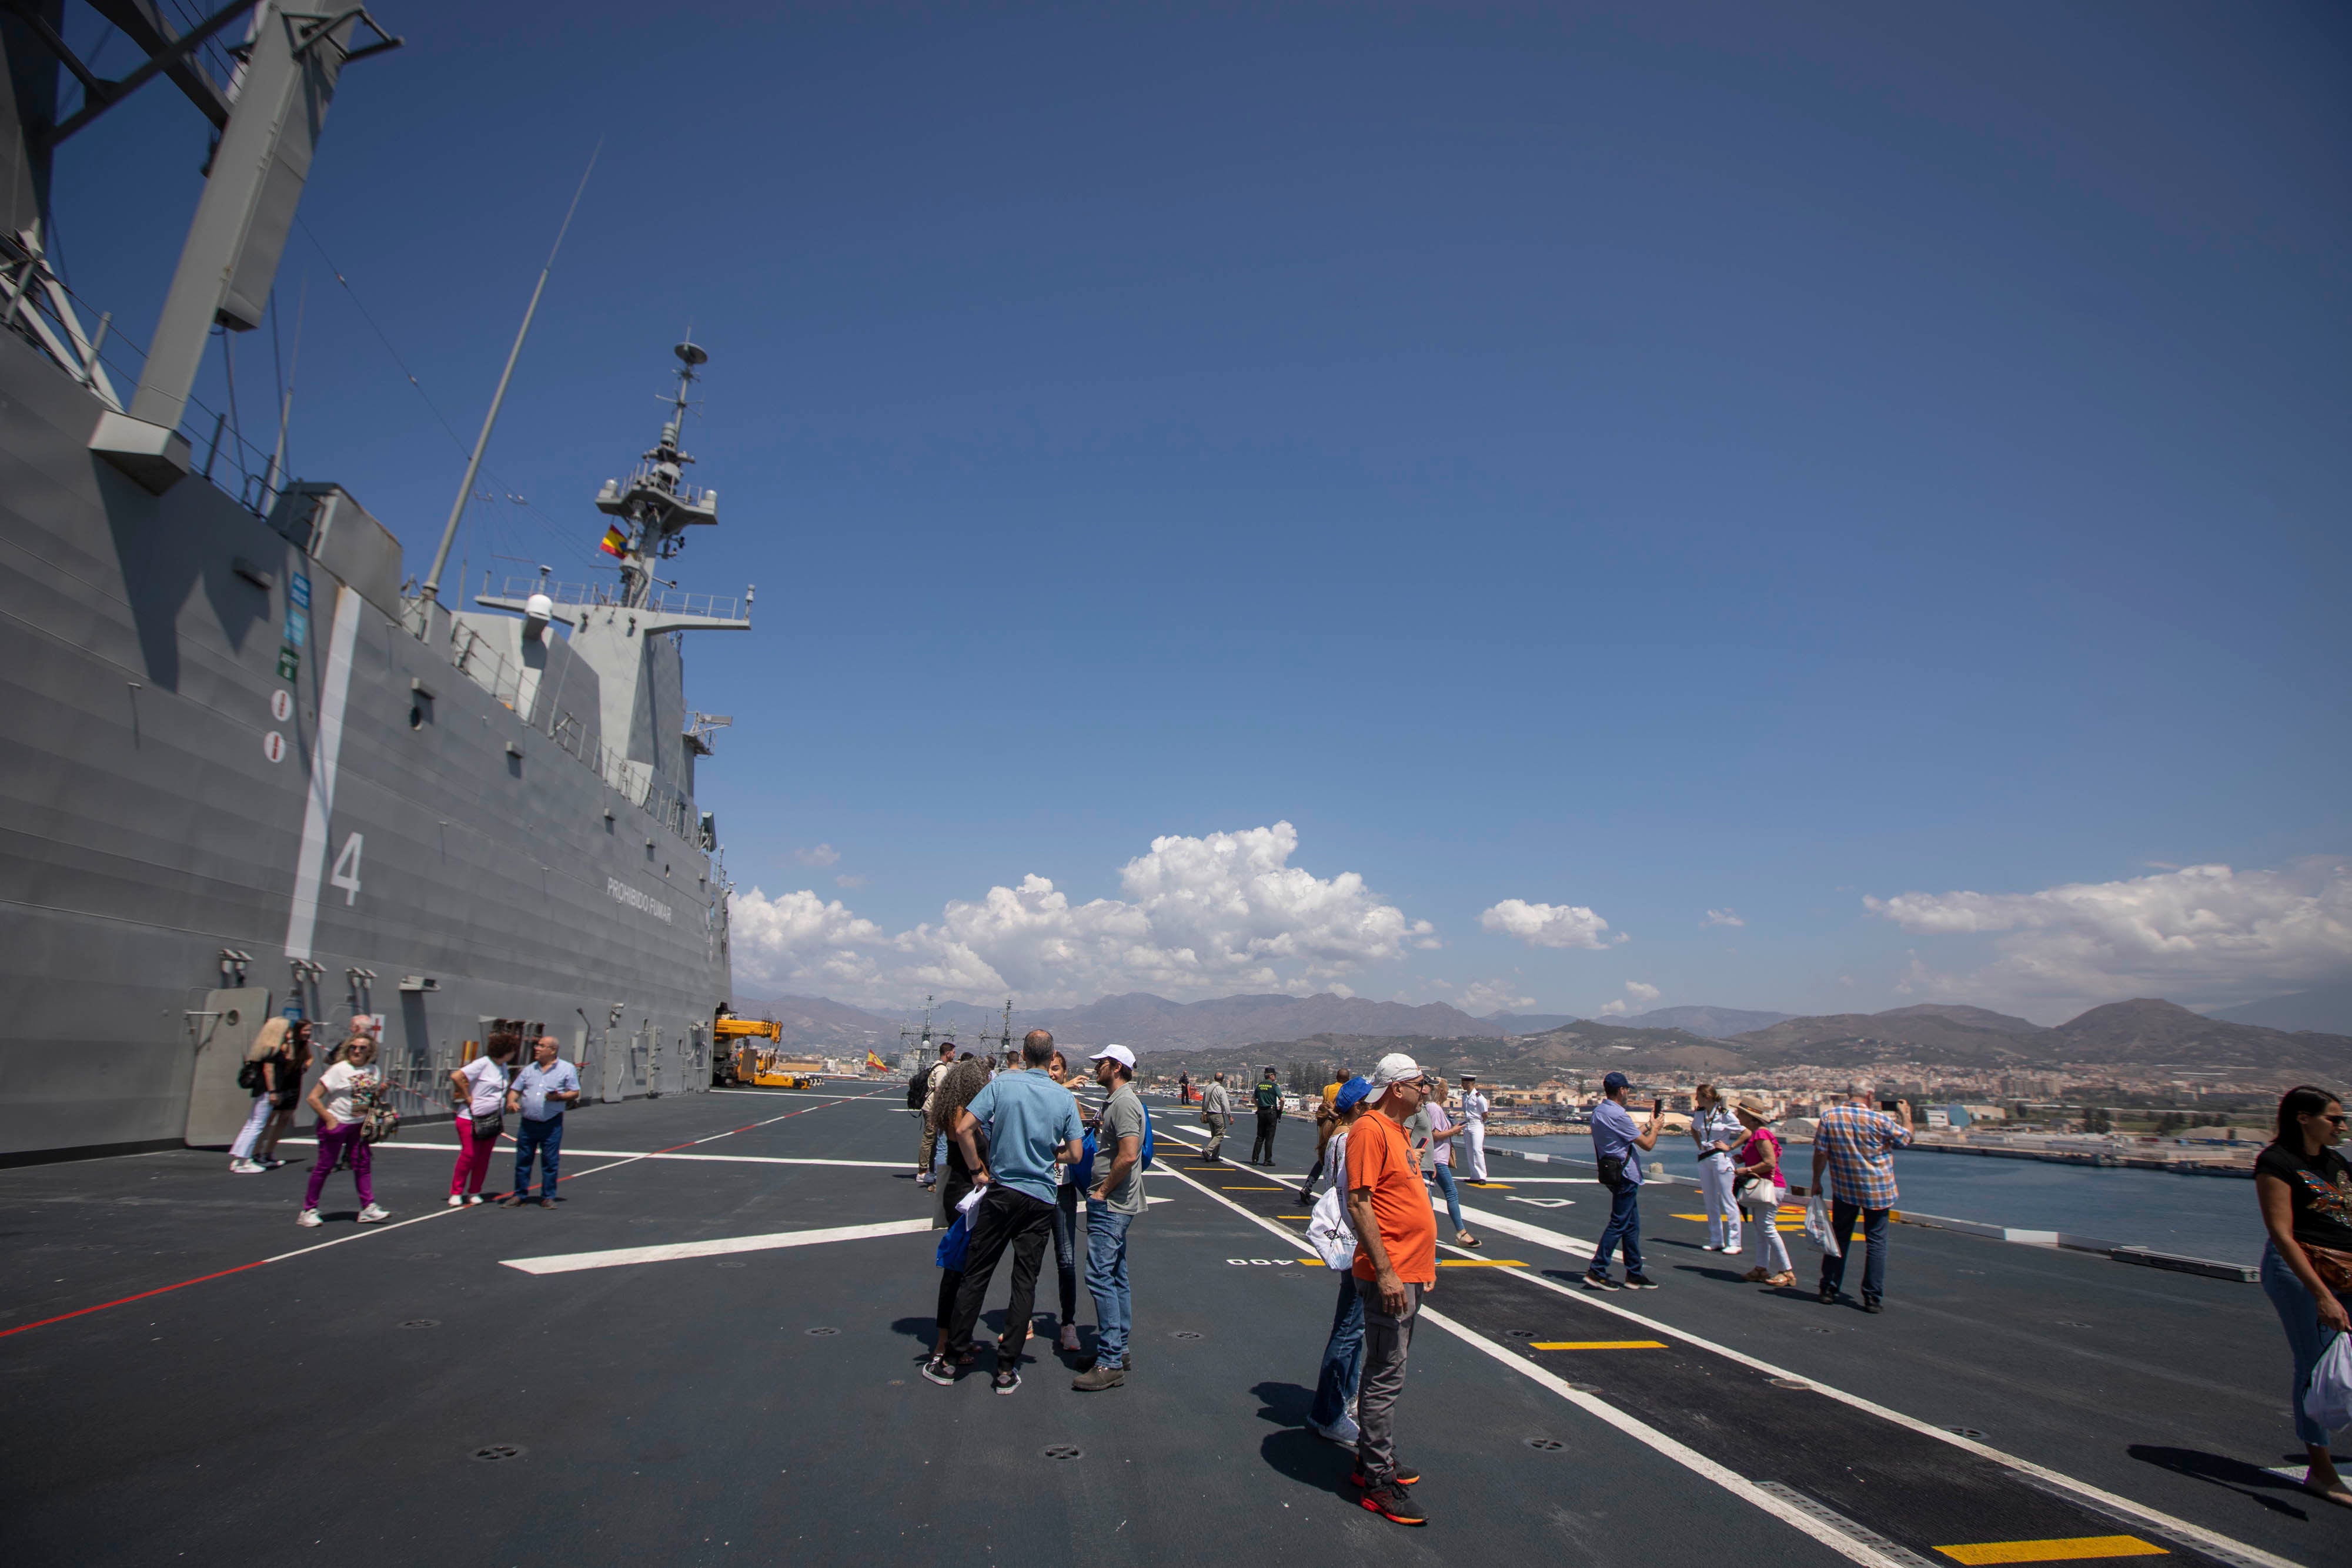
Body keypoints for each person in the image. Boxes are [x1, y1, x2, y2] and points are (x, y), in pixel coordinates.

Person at [930, 1030, 1083, 1394]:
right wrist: (1052, 1156)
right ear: (1050, 1060)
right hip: (1041, 1199)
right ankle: (1006, 1368)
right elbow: (1076, 1154)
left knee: (977, 1273)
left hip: (1001, 1193)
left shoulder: (1003, 1086)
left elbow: (965, 1127)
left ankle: (951, 1361)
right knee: (1024, 1281)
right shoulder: (1062, 1097)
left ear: (1025, 1055)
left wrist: (977, 1171)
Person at [1347, 1053, 1436, 1526]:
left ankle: (1372, 1458)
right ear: (1397, 1087)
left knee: (1388, 1369)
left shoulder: (1399, 1133)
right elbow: (1358, 1202)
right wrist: (1385, 1271)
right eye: (1421, 1083)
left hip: (1409, 1271)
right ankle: (1378, 1480)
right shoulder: (1370, 1128)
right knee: (1385, 1374)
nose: (1427, 1089)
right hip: (1391, 1275)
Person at [2255, 1084, 2352, 1507]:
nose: (2342, 1125)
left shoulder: (2337, 1162)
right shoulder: (2276, 1162)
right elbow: (2282, 1232)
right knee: (2315, 1365)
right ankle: (2321, 1472)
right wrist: (2321, 1295)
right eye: (2334, 1118)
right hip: (2300, 1271)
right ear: (2303, 1118)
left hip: (2345, 1269)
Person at [1075, 1044, 1148, 1391]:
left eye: (1101, 1063)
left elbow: (1129, 1154)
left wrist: (1102, 1191)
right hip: (1116, 1201)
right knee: (1116, 1274)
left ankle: (1109, 1361)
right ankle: (1119, 1351)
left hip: (1112, 1204)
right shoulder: (1115, 1102)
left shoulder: (1125, 1103)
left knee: (1099, 1274)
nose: (1096, 1067)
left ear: (1116, 1067)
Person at [1307, 1075, 1374, 1446]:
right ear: (1360, 1107)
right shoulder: (1352, 1139)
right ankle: (1329, 1412)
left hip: (1346, 1238)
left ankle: (1345, 1397)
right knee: (1349, 1328)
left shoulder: (1335, 1138)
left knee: (1354, 1325)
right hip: (1358, 1239)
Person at [1811, 1083, 1913, 1312]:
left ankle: (1829, 1288)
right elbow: (1906, 1139)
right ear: (1869, 1095)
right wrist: (1905, 1115)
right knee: (1876, 1243)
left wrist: (1817, 1181)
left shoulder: (1830, 1117)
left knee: (1839, 1239)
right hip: (1878, 1190)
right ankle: (1872, 1297)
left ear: (1849, 1094)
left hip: (1845, 1189)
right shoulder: (1880, 1120)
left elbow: (1820, 1152)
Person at [924, 1053, 995, 1374]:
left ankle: (958, 1336)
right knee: (956, 1271)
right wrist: (979, 1170)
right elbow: (959, 1135)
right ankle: (944, 1344)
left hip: (965, 1192)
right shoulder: (960, 1114)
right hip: (962, 1194)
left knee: (965, 1270)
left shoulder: (963, 1111)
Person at [297, 1032, 388, 1227]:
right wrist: (329, 1119)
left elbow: (365, 1096)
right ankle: (308, 1210)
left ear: (370, 1052)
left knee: (363, 1165)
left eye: (362, 1048)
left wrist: (379, 1093)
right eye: (353, 1047)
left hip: (358, 1125)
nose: (357, 1051)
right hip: (337, 1124)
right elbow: (313, 1097)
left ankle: (367, 1208)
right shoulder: (338, 1070)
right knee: (325, 1166)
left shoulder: (373, 1070)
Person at [1584, 1071, 1662, 1290]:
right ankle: (1597, 1270)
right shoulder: (1619, 1115)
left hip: (1612, 1170)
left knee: (1631, 1225)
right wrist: (1656, 1129)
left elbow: (1628, 1136)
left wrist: (1648, 1126)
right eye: (1627, 1090)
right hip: (1626, 1174)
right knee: (1619, 1223)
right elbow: (1647, 1145)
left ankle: (1634, 1272)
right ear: (1622, 1091)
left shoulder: (1600, 1111)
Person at [503, 1035, 580, 1208]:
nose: (536, 1048)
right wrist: (511, 1101)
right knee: (523, 1160)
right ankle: (519, 1195)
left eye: (541, 1046)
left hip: (551, 1123)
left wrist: (559, 1097)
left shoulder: (567, 1069)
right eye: (537, 1045)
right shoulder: (529, 1070)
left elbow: (575, 1092)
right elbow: (515, 1089)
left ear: (552, 1050)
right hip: (528, 1123)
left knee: (550, 1161)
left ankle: (548, 1196)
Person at [1044, 1047, 1087, 1353]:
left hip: (1063, 1191)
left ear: (1065, 1073)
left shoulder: (1071, 1102)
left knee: (1067, 1259)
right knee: (1027, 1260)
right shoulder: (1037, 1096)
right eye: (1048, 1067)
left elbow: (1083, 1141)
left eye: (1057, 1069)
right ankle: (1021, 1320)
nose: (1051, 1072)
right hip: (1035, 1188)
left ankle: (1068, 1323)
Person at [447, 1034, 519, 1206]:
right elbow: (457, 1076)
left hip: (492, 1119)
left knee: (484, 1157)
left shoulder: (503, 1067)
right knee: (469, 1154)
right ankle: (456, 1192)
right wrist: (467, 1096)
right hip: (470, 1118)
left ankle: (475, 1191)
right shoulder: (483, 1063)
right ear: (506, 1051)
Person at [228, 1017, 305, 1174]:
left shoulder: (266, 1047)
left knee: (252, 1123)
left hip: (262, 1090)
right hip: (267, 1090)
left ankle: (239, 1158)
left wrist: (289, 1042)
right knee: (257, 1124)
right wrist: (273, 1092)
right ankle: (244, 1161)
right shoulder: (273, 1049)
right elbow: (269, 1071)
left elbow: (291, 1057)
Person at [1732, 1097, 1793, 1286]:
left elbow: (1769, 1163)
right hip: (1768, 1185)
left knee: (1767, 1227)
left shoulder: (1760, 1136)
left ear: (1750, 1117)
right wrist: (1744, 1159)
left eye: (1740, 1114)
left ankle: (1787, 1270)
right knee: (1761, 1229)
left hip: (1770, 1187)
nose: (1738, 1116)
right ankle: (1761, 1267)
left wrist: (1746, 1170)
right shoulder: (1759, 1134)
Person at [1422, 1083, 1478, 1248]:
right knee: (1450, 1193)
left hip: (1438, 1158)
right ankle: (1460, 1232)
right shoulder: (1434, 1108)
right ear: (1441, 1091)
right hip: (1437, 1159)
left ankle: (1433, 1237)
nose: (1448, 1095)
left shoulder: (1434, 1107)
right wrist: (1453, 1131)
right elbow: (1433, 1135)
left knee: (1432, 1197)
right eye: (1446, 1092)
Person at [1690, 1084, 1744, 1255]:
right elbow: (1694, 1129)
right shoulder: (1700, 1114)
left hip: (1721, 1158)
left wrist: (1731, 1146)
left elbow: (1746, 1132)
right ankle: (1716, 1239)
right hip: (1705, 1157)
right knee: (1710, 1199)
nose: (1696, 1099)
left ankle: (1735, 1242)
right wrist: (1700, 1144)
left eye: (1698, 1096)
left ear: (1706, 1097)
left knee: (1728, 1199)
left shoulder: (1725, 1115)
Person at [914, 1039, 955, 1185]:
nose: (954, 1055)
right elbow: (939, 1091)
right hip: (933, 1108)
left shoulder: (936, 1065)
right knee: (929, 1139)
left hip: (929, 1107)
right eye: (953, 1053)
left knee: (932, 1140)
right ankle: (923, 1171)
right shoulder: (942, 1069)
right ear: (948, 1053)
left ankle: (927, 1170)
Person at [1458, 1075, 1489, 1182]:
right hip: (1468, 1124)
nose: (1462, 1085)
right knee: (1470, 1151)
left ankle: (1482, 1176)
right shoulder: (1464, 1096)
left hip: (1477, 1124)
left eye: (1464, 1083)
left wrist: (1480, 1123)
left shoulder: (1479, 1097)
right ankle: (1474, 1176)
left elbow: (1485, 1114)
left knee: (1477, 1150)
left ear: (1470, 1083)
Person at [1251, 1064, 1282, 1166]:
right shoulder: (1274, 1086)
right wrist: (1280, 1110)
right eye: (1274, 1075)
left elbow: (1253, 1099)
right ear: (1271, 1076)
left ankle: (1255, 1159)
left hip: (1261, 1112)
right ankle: (1267, 1160)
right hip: (1271, 1112)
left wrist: (1258, 1107)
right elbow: (1282, 1099)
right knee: (1269, 1138)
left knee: (1260, 1137)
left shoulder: (1259, 1086)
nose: (1275, 1077)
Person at [1200, 1071, 1232, 1164]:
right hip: (1218, 1114)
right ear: (1222, 1080)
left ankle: (1215, 1155)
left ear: (1214, 1078)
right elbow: (1225, 1104)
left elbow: (1205, 1102)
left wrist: (1204, 1112)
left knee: (1214, 1135)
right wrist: (1229, 1115)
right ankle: (1208, 1151)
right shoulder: (1220, 1089)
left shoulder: (1208, 1088)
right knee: (1220, 1135)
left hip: (1209, 1114)